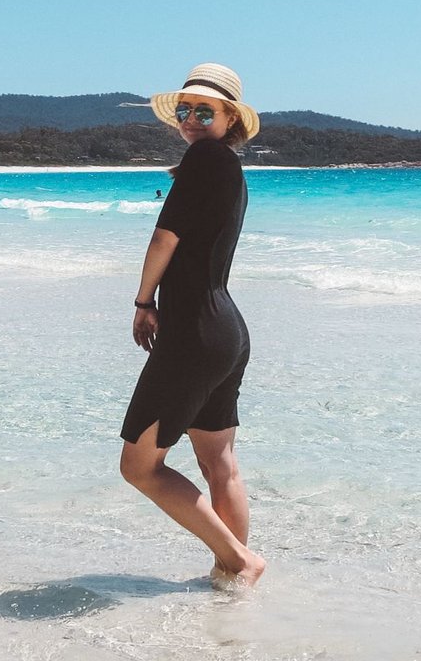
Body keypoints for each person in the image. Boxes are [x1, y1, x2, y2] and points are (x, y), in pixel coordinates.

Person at [119, 62, 265, 588]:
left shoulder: (204, 157)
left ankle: (240, 562)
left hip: (195, 334)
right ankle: (231, 584)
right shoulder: (227, 166)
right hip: (226, 330)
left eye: (205, 111)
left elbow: (165, 238)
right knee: (218, 463)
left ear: (231, 118)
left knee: (138, 467)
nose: (192, 120)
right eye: (185, 110)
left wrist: (143, 300)